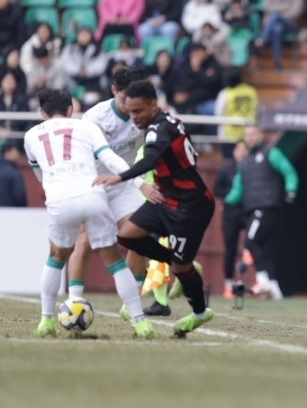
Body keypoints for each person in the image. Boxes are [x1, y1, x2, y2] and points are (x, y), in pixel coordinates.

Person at [24, 89, 154, 338]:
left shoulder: (31, 136)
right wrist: (140, 184)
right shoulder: (86, 127)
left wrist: (51, 187)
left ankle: (46, 322)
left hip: (60, 200)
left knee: (55, 257)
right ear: (71, 109)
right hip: (93, 194)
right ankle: (140, 322)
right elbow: (112, 161)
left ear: (43, 113)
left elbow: (39, 172)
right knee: (115, 262)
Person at [93, 80, 216, 335]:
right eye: (130, 112)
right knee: (126, 235)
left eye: (138, 111)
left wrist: (119, 177)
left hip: (189, 205)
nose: (134, 117)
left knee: (182, 269)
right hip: (164, 199)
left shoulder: (158, 129)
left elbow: (150, 159)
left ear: (153, 105)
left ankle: (200, 313)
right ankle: (179, 264)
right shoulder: (169, 120)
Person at [64, 67, 165, 317]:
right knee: (85, 242)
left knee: (139, 238)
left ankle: (129, 304)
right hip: (94, 183)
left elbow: (163, 136)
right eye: (124, 100)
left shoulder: (143, 113)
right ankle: (74, 302)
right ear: (113, 91)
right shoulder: (95, 117)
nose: (130, 107)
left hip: (123, 184)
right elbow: (94, 156)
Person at [224, 125, 299, 300]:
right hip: (252, 208)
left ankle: (262, 280)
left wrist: (291, 190)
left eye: (252, 134)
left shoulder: (270, 153)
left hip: (266, 206)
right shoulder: (245, 162)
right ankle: (274, 289)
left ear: (260, 135)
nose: (250, 137)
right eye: (247, 135)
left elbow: (288, 171)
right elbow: (238, 187)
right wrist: (227, 202)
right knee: (262, 247)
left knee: (250, 241)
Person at [214, 140, 248, 299]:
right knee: (230, 250)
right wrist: (231, 193)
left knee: (253, 243)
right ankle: (228, 284)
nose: (242, 152)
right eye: (239, 149)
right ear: (233, 151)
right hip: (231, 213)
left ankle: (255, 284)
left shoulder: (252, 168)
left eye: (245, 149)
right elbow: (216, 190)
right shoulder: (226, 170)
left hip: (248, 211)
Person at [255, 0, 303, 70]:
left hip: (289, 23)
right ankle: (277, 62)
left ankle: (262, 39)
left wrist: (278, 13)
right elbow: (267, 6)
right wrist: (286, 6)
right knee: (277, 28)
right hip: (273, 24)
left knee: (275, 16)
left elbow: (296, 11)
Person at [215, 67, 258, 157]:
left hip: (229, 135)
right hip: (247, 134)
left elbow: (218, 113)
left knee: (229, 163)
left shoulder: (225, 93)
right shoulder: (251, 91)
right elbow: (256, 109)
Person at [60, 28, 108, 106]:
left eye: (86, 34)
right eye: (81, 34)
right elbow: (66, 63)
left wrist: (87, 72)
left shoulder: (98, 49)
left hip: (93, 83)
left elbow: (101, 65)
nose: (84, 37)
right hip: (74, 82)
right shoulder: (70, 48)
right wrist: (78, 71)